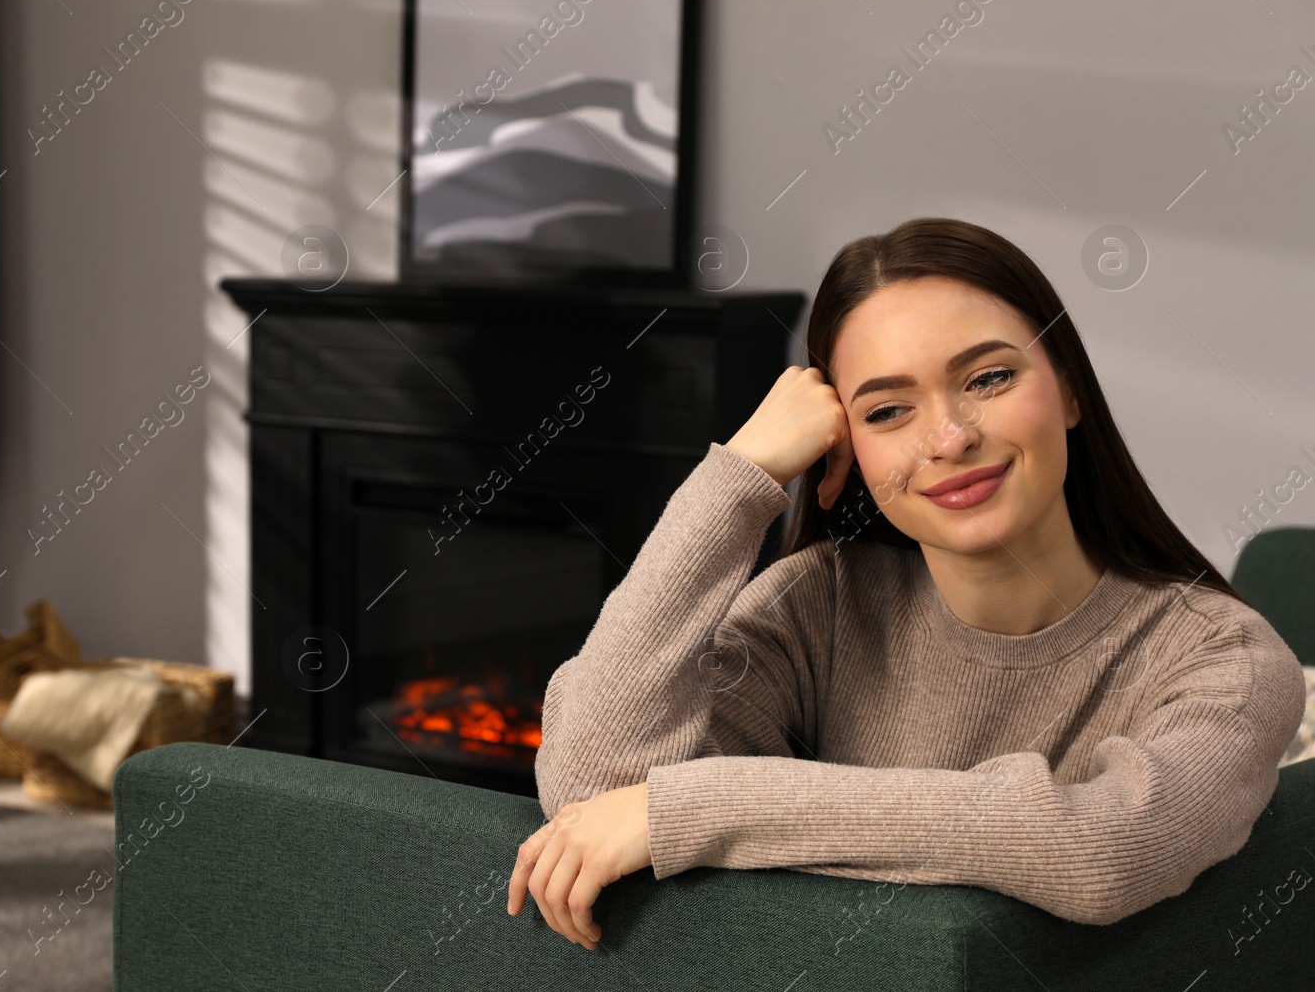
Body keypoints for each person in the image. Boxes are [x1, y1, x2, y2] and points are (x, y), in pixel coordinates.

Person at [503, 216, 1307, 950]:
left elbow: (1103, 847)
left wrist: (697, 809)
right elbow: (591, 783)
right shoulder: (821, 601)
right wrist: (742, 474)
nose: (950, 437)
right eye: (887, 411)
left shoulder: (1227, 659)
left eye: (988, 378)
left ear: (1067, 389)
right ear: (843, 446)